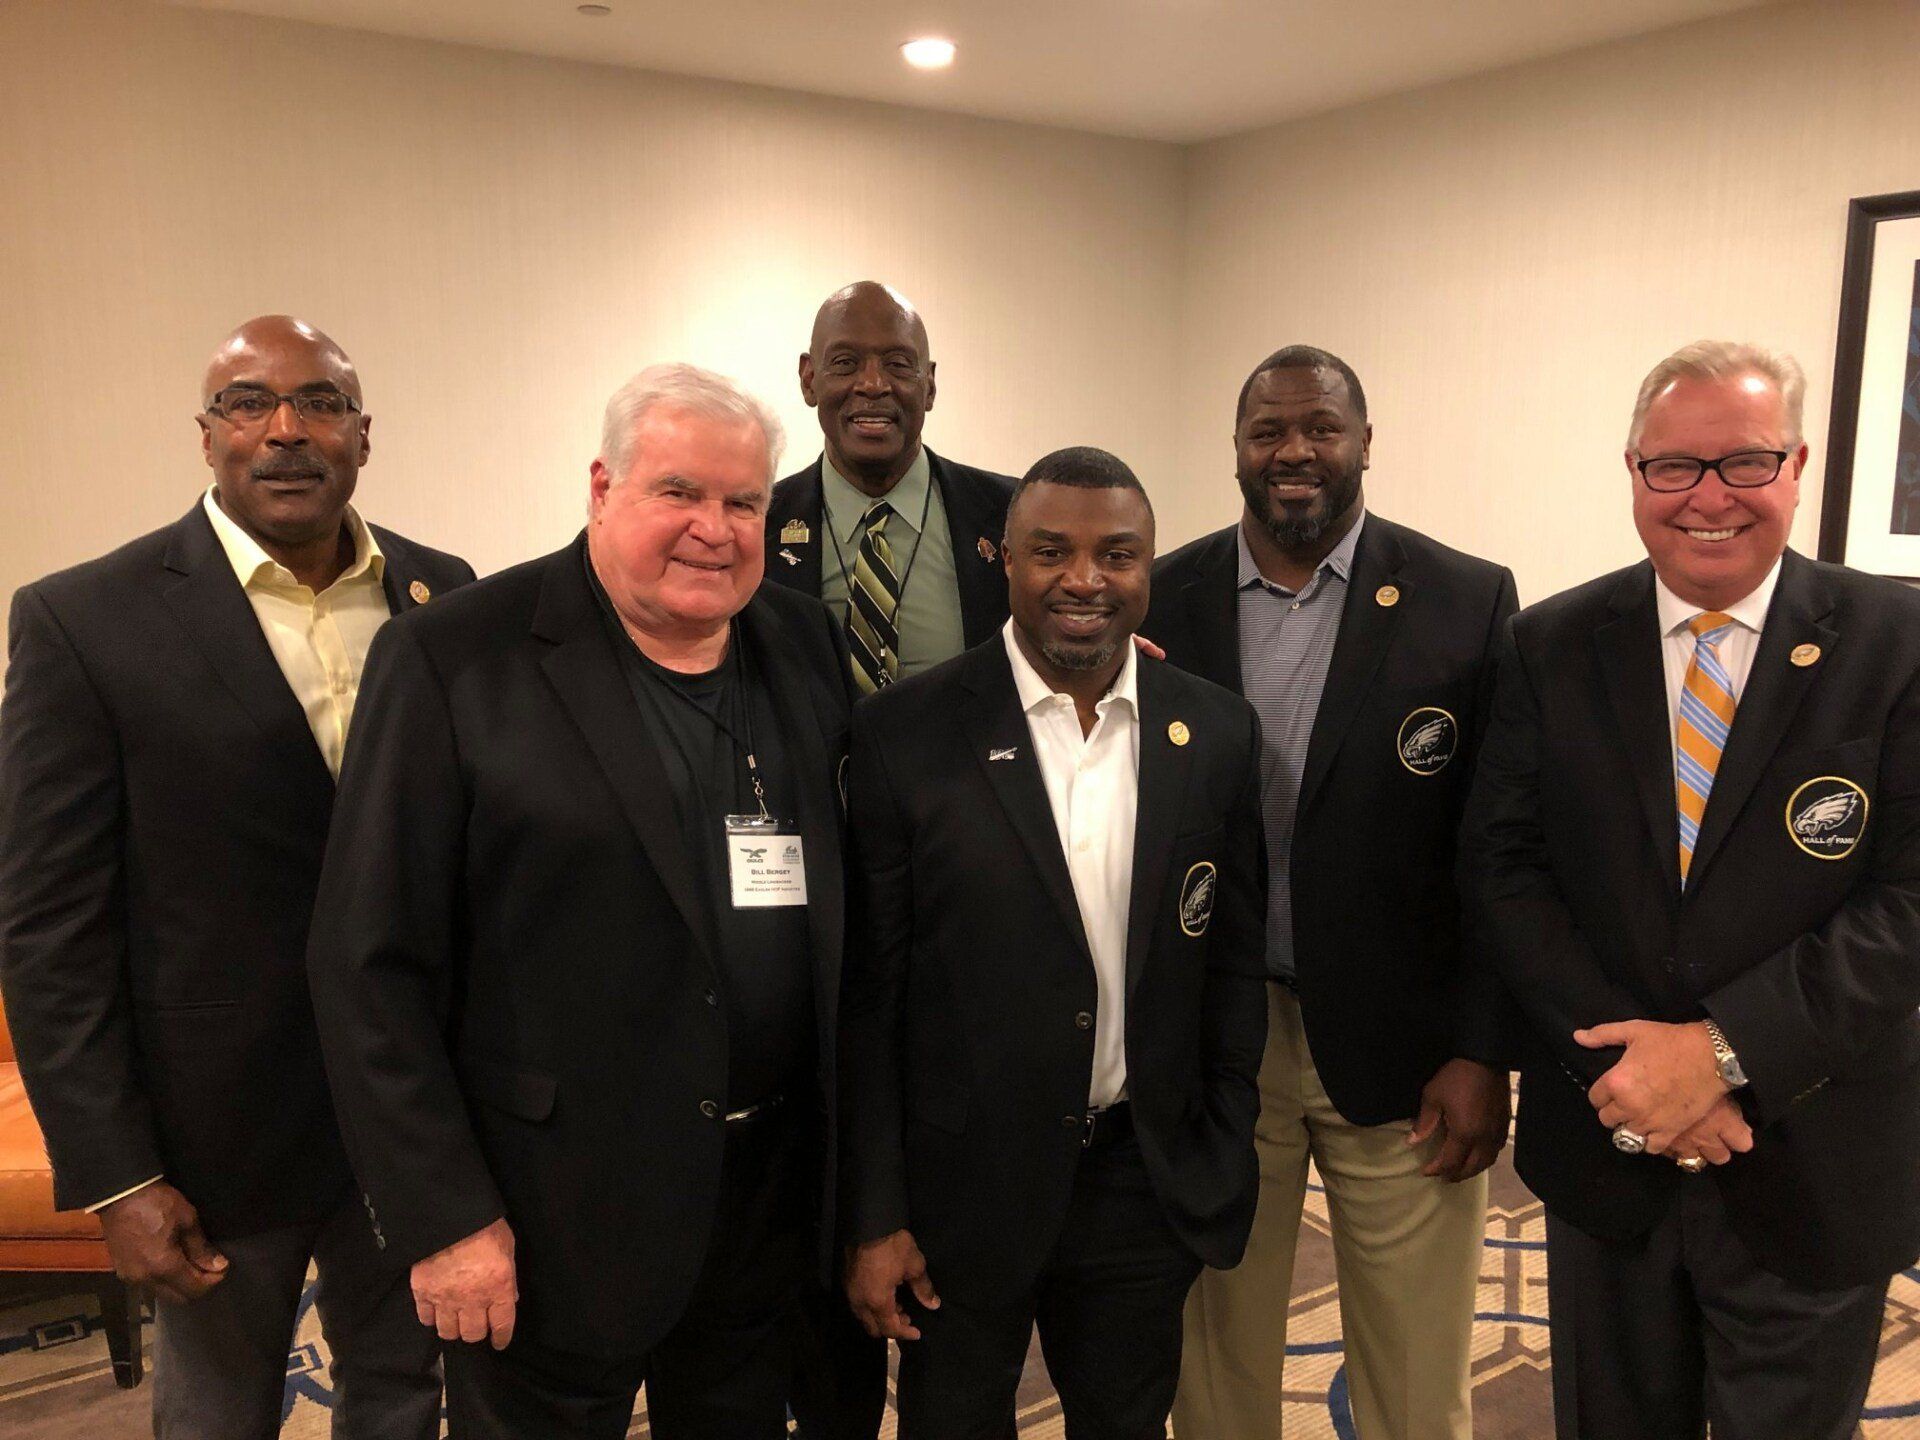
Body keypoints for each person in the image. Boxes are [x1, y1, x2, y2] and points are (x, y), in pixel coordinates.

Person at [305, 363, 851, 1438]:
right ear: (603, 488)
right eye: (678, 492)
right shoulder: (455, 655)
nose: (714, 530)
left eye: (743, 502)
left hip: (763, 1207)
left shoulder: (804, 644)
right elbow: (367, 962)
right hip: (548, 1214)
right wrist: (446, 1218)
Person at [0, 315, 470, 1439]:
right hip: (213, 1133)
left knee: (405, 1397)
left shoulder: (444, 593)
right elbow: (49, 926)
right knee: (217, 1415)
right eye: (250, 403)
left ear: (364, 435)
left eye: (321, 403)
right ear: (207, 435)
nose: (286, 430)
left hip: (414, 1110)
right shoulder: (83, 620)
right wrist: (116, 1176)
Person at [1460, 341, 1920, 1439]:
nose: (1709, 497)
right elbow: (1504, 868)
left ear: (1796, 465)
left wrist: (1718, 1053)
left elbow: (1909, 901)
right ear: (1633, 471)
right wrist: (1635, 1072)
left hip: (1814, 1151)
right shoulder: (1547, 644)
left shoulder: (1900, 642)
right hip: (1608, 1149)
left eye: (1745, 461)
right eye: (1674, 466)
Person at [839, 446, 1269, 1439]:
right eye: (1051, 552)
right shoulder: (906, 734)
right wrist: (875, 1214)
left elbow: (1231, 963)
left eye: (1117, 554)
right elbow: (870, 999)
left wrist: (1218, 1137)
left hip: (1138, 1181)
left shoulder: (1215, 732)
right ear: (1005, 561)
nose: (1085, 579)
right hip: (960, 1189)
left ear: (1150, 566)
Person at [1148, 345, 1515, 1439]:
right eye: (1268, 431)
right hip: (1219, 1038)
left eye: (1321, 428)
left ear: (1365, 443)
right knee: (1213, 1363)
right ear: (1236, 449)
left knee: (1415, 1370)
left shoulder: (1466, 598)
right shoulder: (1164, 595)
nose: (1294, 451)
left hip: (1407, 1048)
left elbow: (1500, 847)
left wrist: (1482, 1047)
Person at [764, 281, 1015, 694]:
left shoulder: (1011, 518)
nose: (873, 384)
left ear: (929, 384)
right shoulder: (758, 526)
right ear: (809, 379)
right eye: (845, 363)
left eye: (898, 364)